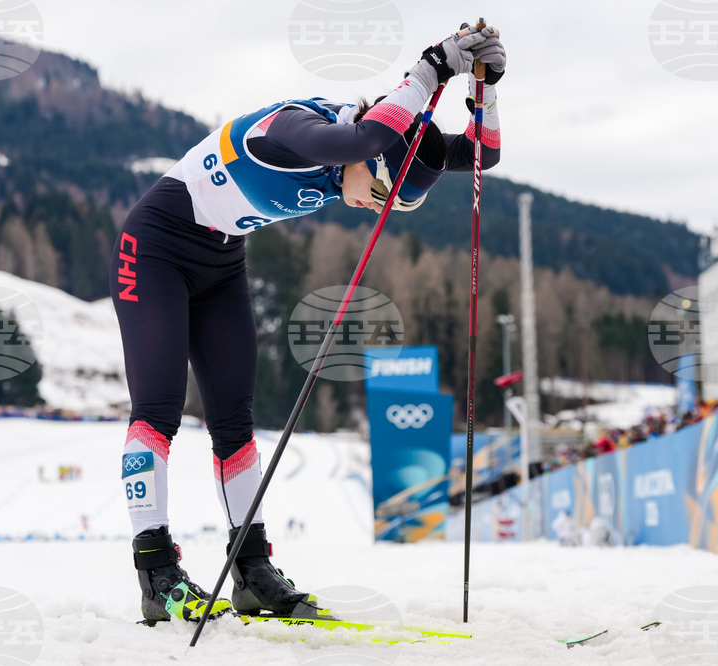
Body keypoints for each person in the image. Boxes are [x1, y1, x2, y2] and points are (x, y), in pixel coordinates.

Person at [111, 24, 506, 624]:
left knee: (234, 421)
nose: (375, 204)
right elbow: (371, 132)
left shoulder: (362, 148)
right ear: (363, 157)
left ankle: (251, 570)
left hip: (221, 260)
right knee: (159, 409)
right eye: (379, 190)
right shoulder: (295, 130)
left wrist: (486, 90)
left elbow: (484, 155)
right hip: (156, 247)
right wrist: (429, 66)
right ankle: (156, 571)